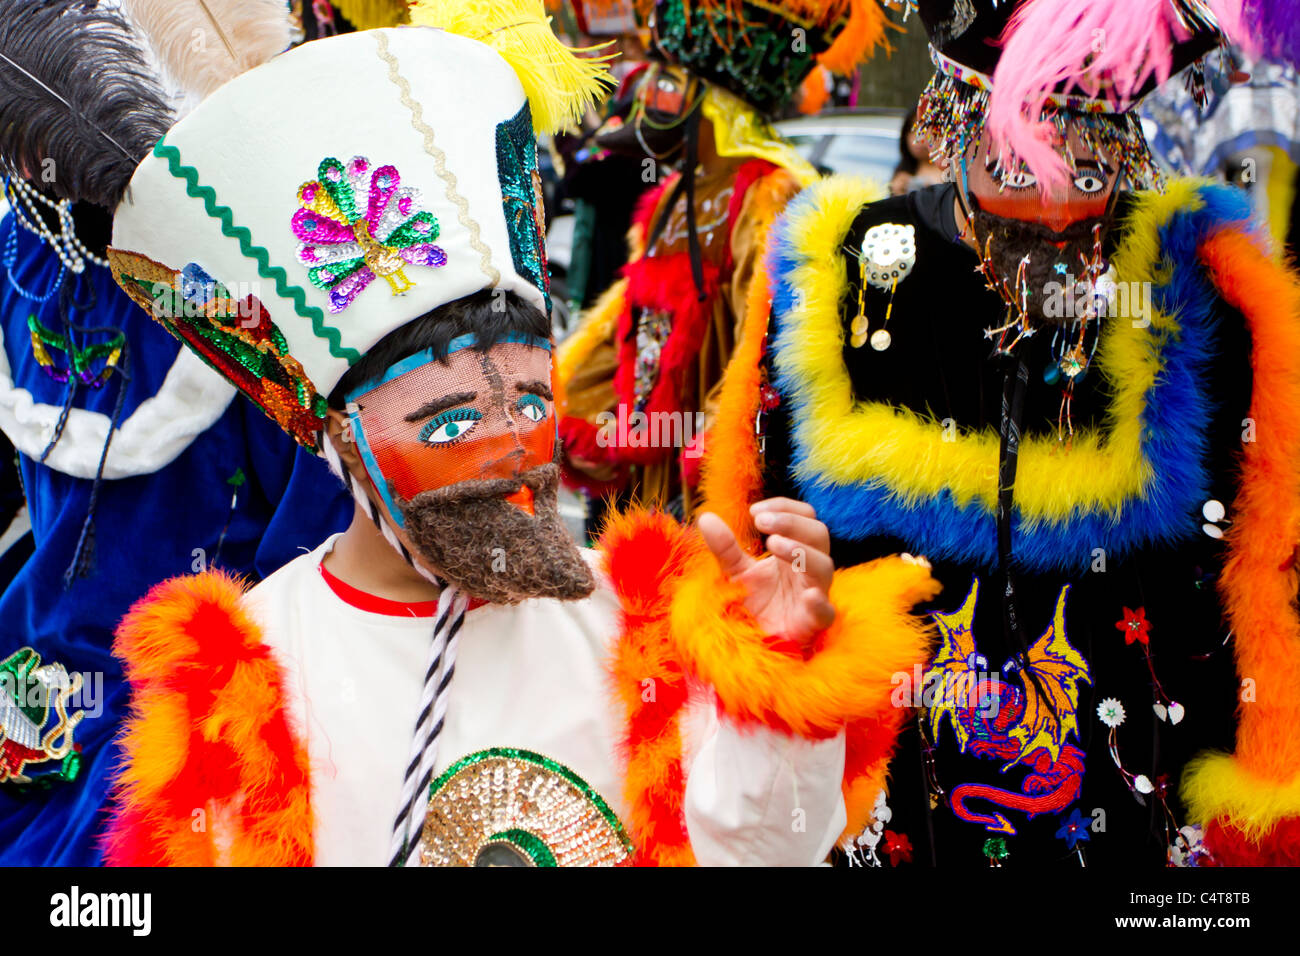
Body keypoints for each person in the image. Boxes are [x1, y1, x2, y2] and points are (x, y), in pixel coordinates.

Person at [91, 0, 939, 867]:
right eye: (452, 418)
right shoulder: (253, 671)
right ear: (339, 436)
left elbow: (763, 853)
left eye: (533, 403)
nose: (513, 448)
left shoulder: (636, 625)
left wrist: (776, 683)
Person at [702, 0, 1300, 866]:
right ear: (961, 120)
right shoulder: (842, 269)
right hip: (890, 813)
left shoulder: (1204, 284)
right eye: (1022, 155)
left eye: (1093, 159)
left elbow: (1270, 572)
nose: (1056, 194)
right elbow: (747, 556)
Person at [0, 0, 351, 865]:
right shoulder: (25, 257)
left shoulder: (240, 279)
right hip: (37, 667)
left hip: (205, 683)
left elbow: (317, 530)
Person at [555, 0, 894, 517]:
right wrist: (570, 406)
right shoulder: (671, 195)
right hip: (650, 475)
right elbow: (629, 321)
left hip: (709, 495)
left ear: (705, 100)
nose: (645, 96)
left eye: (664, 81)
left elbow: (761, 346)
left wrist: (713, 458)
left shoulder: (769, 192)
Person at [890, 105, 946, 196]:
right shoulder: (902, 171)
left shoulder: (952, 171)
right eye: (912, 130)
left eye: (923, 131)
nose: (917, 138)